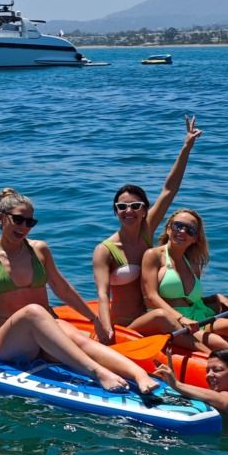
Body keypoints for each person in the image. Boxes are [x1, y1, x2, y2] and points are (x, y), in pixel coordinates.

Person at [0, 188, 164, 398]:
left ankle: (138, 374)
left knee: (79, 338)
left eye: (30, 222)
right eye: (18, 220)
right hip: (10, 341)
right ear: (1, 218)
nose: (24, 227)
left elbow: (62, 288)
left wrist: (95, 320)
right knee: (33, 312)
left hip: (46, 328)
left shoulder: (39, 249)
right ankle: (97, 372)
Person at [129, 208, 228, 363]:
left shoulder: (193, 263)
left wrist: (217, 297)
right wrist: (181, 318)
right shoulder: (154, 256)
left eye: (190, 230)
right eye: (178, 225)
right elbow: (151, 296)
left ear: (195, 238)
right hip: (170, 319)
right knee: (223, 343)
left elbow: (192, 300)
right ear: (169, 228)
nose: (182, 231)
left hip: (196, 316)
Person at [91, 115, 202, 338]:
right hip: (128, 328)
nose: (128, 211)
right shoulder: (105, 250)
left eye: (135, 206)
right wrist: (106, 330)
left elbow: (169, 190)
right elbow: (103, 295)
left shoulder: (146, 230)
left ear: (144, 210)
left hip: (156, 317)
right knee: (163, 317)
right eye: (122, 206)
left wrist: (186, 147)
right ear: (116, 211)